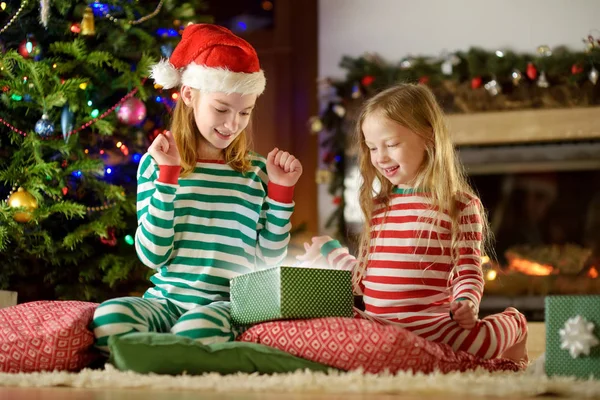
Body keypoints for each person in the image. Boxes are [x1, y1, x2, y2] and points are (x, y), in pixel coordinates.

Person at [92, 24, 303, 353]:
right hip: (166, 302)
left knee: (196, 332)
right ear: (189, 95)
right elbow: (152, 255)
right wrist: (168, 177)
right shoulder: (156, 164)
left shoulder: (259, 172)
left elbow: (268, 259)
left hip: (228, 307)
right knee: (109, 317)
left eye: (244, 112)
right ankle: (167, 353)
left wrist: (281, 192)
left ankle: (165, 353)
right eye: (221, 109)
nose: (233, 124)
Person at [297, 83, 527, 363]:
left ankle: (515, 325)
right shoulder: (379, 207)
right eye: (371, 148)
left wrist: (466, 302)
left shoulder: (461, 206)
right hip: (381, 329)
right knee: (331, 328)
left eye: (391, 144)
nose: (380, 157)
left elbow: (468, 271)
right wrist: (332, 253)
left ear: (428, 137)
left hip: (436, 330)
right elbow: (365, 282)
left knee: (482, 345)